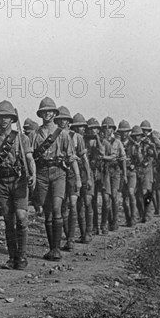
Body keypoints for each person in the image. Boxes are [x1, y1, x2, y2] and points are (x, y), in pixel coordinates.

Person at [29, 97, 80, 261]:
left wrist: (78, 177)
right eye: (44, 111)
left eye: (50, 111)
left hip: (59, 173)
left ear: (54, 113)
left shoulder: (63, 134)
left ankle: (57, 249)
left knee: (57, 208)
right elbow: (29, 157)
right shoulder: (34, 135)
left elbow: (71, 157)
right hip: (42, 173)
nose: (47, 114)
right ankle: (52, 248)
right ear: (40, 114)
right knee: (48, 212)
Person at [0, 100, 36, 269]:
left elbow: (30, 159)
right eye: (1, 117)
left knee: (22, 217)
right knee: (8, 221)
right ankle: (12, 257)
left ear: (12, 119)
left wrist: (33, 173)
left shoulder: (21, 138)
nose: (4, 120)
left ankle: (22, 256)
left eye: (7, 117)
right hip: (2, 182)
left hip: (18, 181)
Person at [55, 106, 90, 250]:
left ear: (69, 121)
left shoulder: (77, 137)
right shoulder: (54, 135)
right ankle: (69, 235)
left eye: (65, 119)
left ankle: (72, 238)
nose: (62, 122)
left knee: (74, 204)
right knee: (62, 208)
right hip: (60, 173)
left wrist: (87, 177)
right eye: (60, 119)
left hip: (74, 173)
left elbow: (84, 158)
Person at [70, 113, 94, 243]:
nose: (83, 129)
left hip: (85, 173)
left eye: (83, 126)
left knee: (87, 201)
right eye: (79, 126)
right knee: (78, 205)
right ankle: (83, 233)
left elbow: (85, 160)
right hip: (74, 173)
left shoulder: (90, 140)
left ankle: (88, 232)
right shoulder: (72, 138)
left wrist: (89, 177)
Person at [101, 117, 127, 231]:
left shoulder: (118, 142)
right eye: (106, 128)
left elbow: (123, 158)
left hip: (115, 171)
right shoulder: (100, 141)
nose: (108, 130)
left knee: (115, 197)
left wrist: (125, 174)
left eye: (110, 128)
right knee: (106, 199)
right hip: (104, 171)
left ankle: (114, 222)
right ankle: (105, 223)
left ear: (113, 129)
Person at [117, 120, 136, 227]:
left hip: (132, 171)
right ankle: (128, 218)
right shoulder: (116, 143)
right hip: (120, 171)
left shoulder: (133, 144)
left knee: (131, 192)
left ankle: (133, 217)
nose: (124, 134)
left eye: (126, 132)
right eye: (122, 132)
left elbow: (139, 158)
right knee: (124, 197)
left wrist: (134, 165)